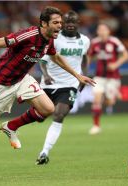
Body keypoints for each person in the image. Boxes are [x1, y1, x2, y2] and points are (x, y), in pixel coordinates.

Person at [0, 6, 95, 149]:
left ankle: (11, 126)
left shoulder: (49, 39)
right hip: (0, 81)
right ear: (44, 23)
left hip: (21, 79)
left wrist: (77, 75)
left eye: (60, 23)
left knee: (48, 108)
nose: (60, 26)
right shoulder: (29, 35)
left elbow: (55, 56)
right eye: (56, 23)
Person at [35, 10, 90, 165]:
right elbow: (43, 59)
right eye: (68, 22)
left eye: (74, 22)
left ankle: (44, 152)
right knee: (39, 115)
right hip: (49, 83)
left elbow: (85, 57)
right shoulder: (55, 38)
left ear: (78, 23)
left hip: (70, 85)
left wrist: (83, 76)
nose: (71, 25)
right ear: (63, 23)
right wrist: (45, 75)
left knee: (59, 115)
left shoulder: (85, 41)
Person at [88, 23, 128, 135]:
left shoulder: (114, 41)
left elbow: (126, 55)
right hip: (99, 76)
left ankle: (114, 93)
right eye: (100, 29)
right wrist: (84, 68)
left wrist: (116, 64)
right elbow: (89, 56)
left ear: (108, 31)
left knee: (109, 102)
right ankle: (96, 126)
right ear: (97, 32)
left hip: (113, 77)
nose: (102, 32)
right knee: (96, 100)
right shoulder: (94, 43)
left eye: (104, 29)